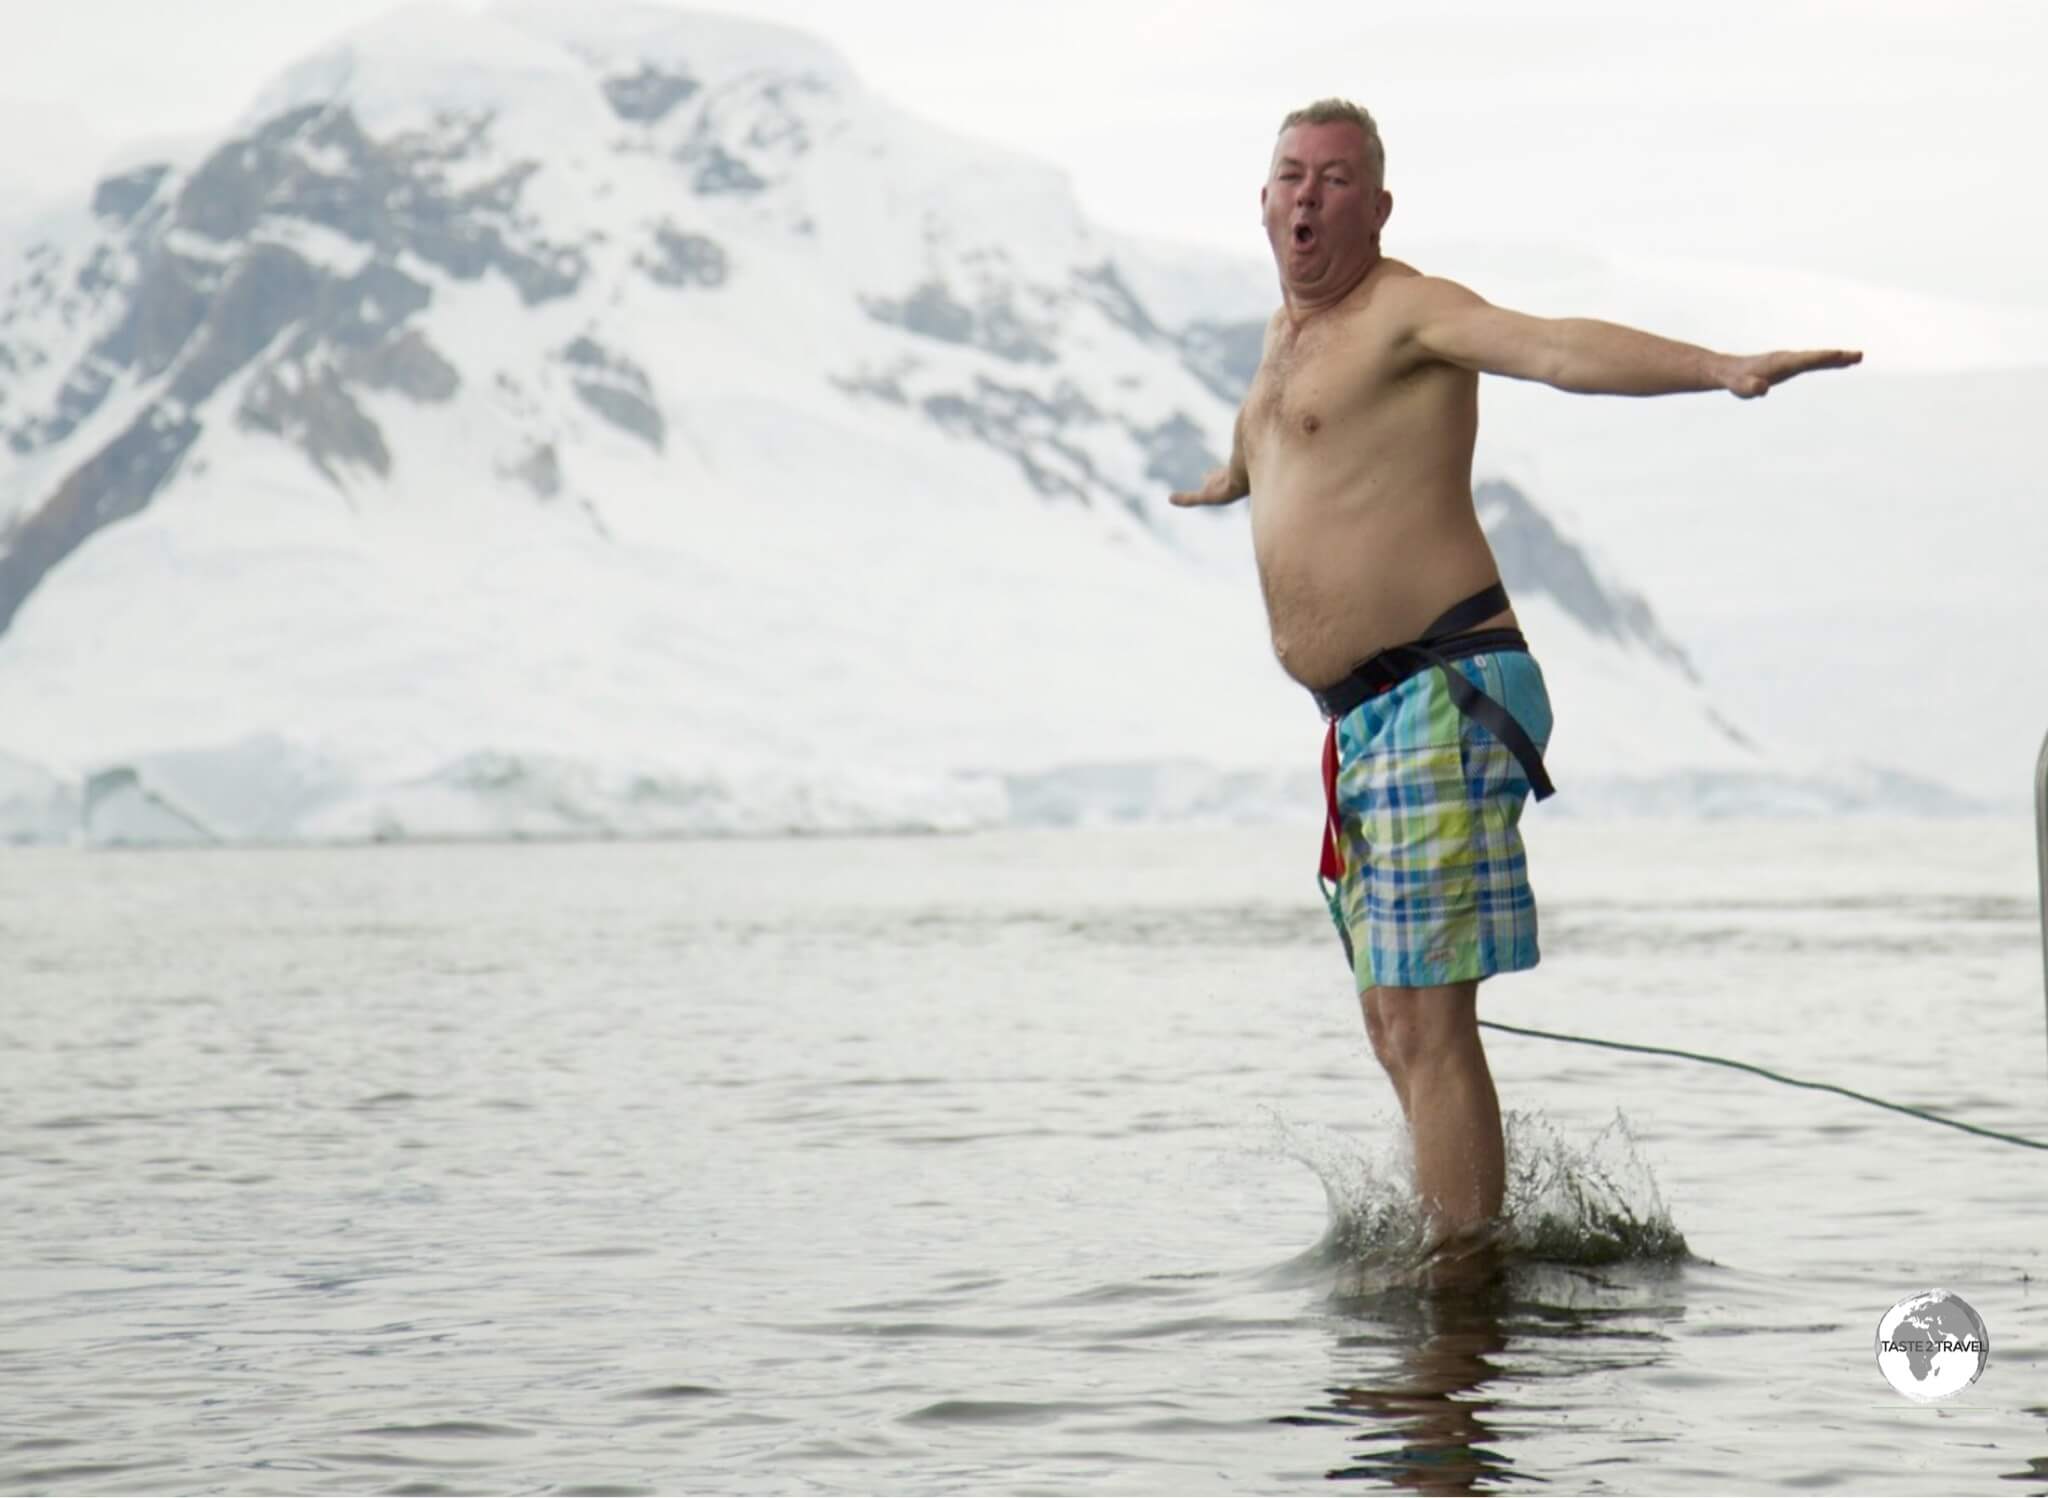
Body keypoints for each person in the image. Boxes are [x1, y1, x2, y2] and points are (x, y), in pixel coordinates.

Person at [1169, 98, 1860, 1259]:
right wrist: (1224, 482)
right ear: (1261, 196)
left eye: (1337, 180)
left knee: (1428, 1019)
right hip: (1364, 721)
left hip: (1444, 685)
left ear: (1376, 208)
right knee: (1393, 1021)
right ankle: (1468, 1239)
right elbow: (1275, 445)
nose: (1307, 196)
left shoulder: (1406, 312)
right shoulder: (1281, 345)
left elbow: (1551, 347)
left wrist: (1718, 367)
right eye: (1291, 174)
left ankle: (1459, 1284)